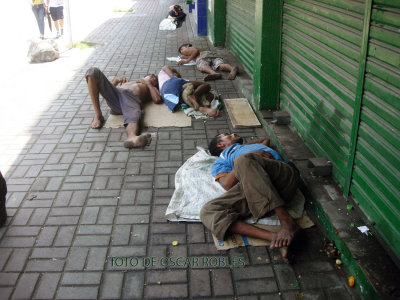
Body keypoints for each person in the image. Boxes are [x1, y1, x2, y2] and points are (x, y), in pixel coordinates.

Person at [200, 133, 300, 263]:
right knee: (208, 210)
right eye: (227, 135)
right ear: (220, 144)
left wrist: (246, 149)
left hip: (282, 176)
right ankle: (276, 238)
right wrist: (247, 156)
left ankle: (287, 222)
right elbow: (226, 184)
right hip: (257, 189)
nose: (233, 133)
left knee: (244, 160)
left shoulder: (246, 147)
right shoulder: (222, 159)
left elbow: (266, 139)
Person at [85, 67, 161, 149]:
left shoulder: (152, 88)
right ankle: (98, 114)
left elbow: (157, 99)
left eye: (156, 80)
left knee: (133, 114)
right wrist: (116, 81)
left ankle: (132, 138)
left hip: (130, 98)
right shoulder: (133, 82)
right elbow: (106, 91)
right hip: (116, 95)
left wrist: (149, 84)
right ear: (144, 77)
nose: (154, 79)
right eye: (152, 77)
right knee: (92, 72)